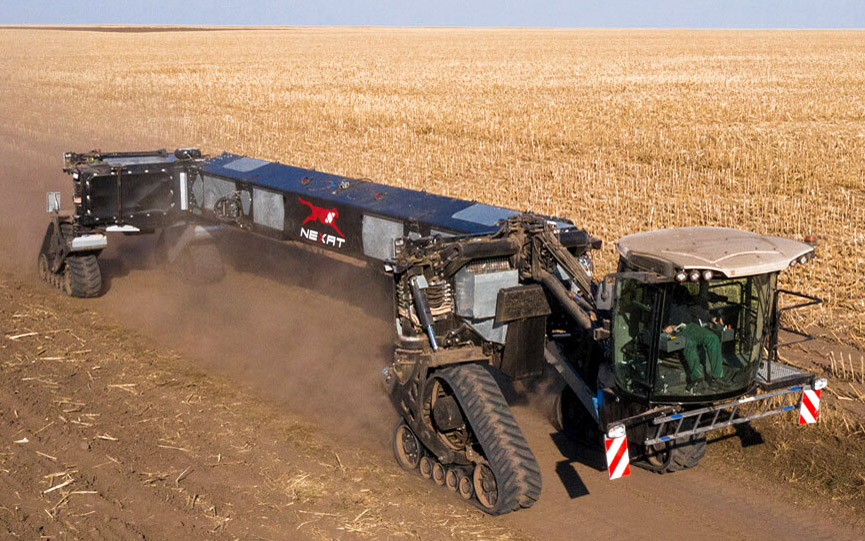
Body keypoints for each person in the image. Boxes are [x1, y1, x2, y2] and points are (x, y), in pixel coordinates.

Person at [663, 285, 725, 391]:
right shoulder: (662, 293)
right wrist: (665, 327)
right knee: (688, 343)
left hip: (689, 326)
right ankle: (696, 377)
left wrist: (710, 318)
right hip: (674, 330)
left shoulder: (681, 290)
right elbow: (655, 315)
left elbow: (694, 308)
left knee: (713, 338)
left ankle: (717, 377)